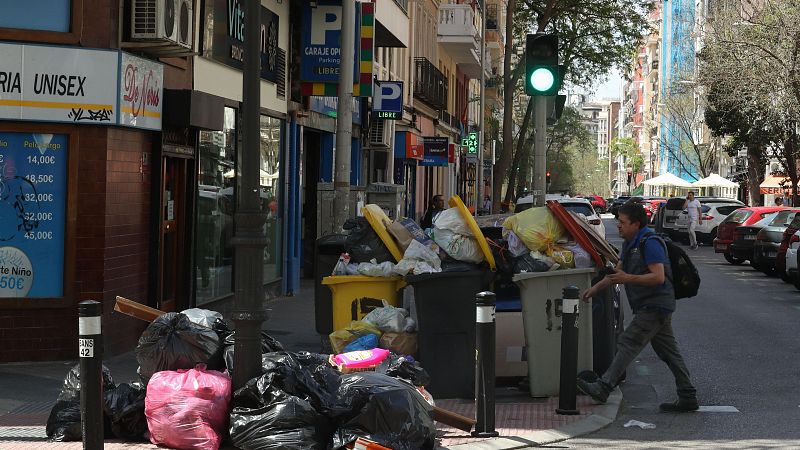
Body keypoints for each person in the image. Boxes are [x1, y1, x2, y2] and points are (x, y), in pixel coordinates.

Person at [577, 203, 698, 412]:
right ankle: (687, 396)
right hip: (650, 305)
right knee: (669, 352)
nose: (619, 226)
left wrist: (627, 278)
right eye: (618, 221)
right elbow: (616, 273)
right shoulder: (630, 243)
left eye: (623, 222)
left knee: (628, 341)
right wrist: (593, 289)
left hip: (656, 305)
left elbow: (658, 277)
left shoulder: (650, 243)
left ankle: (603, 387)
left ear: (636, 223)